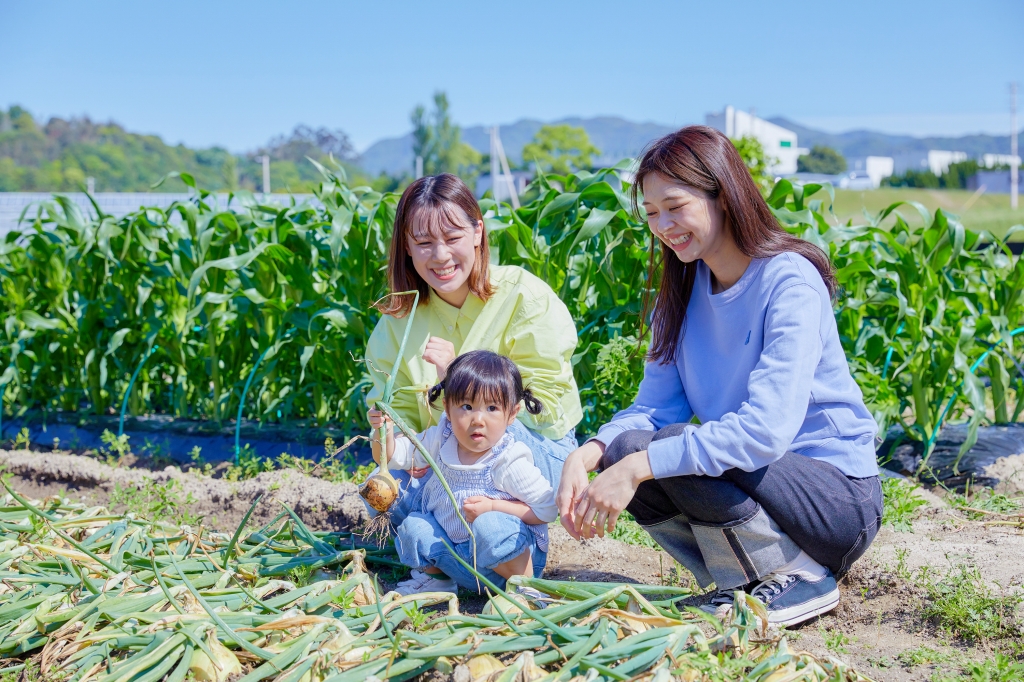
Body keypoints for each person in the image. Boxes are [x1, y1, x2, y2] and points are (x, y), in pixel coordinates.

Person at [555, 126, 882, 627]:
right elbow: (652, 408)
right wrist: (591, 451)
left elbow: (766, 431)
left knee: (661, 452)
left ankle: (802, 574)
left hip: (834, 499)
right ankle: (748, 580)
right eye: (651, 214)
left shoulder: (788, 280)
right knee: (629, 448)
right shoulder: (682, 292)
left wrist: (644, 465)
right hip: (755, 481)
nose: (663, 224)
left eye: (675, 205)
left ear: (723, 195)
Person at [365, 173, 581, 530]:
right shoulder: (397, 321)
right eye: (423, 242)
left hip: (528, 450)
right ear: (405, 245)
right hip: (444, 457)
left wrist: (456, 383)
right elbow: (397, 413)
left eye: (453, 238)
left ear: (478, 232)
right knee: (383, 495)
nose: (440, 256)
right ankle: (454, 535)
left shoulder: (523, 297)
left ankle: (459, 534)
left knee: (479, 512)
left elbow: (542, 407)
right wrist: (397, 436)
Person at [369, 350, 556, 594]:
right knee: (416, 527)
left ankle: (526, 589)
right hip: (460, 561)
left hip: (505, 566)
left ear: (512, 414)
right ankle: (439, 580)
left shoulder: (509, 459)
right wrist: (383, 432)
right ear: (447, 407)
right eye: (466, 406)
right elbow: (394, 456)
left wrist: (494, 507)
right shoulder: (442, 437)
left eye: (491, 408)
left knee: (490, 526)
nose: (478, 419)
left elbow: (548, 509)